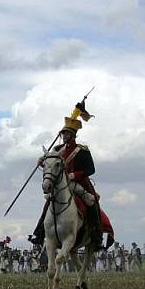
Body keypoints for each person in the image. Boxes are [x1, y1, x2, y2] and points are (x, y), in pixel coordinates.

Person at [29, 101, 111, 250]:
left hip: (78, 182)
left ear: (72, 134)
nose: (63, 135)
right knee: (48, 204)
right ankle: (39, 233)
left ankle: (96, 235)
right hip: (60, 184)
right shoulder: (57, 149)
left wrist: (74, 175)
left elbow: (90, 169)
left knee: (92, 202)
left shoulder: (82, 150)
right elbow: (52, 166)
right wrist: (42, 161)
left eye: (66, 133)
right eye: (63, 133)